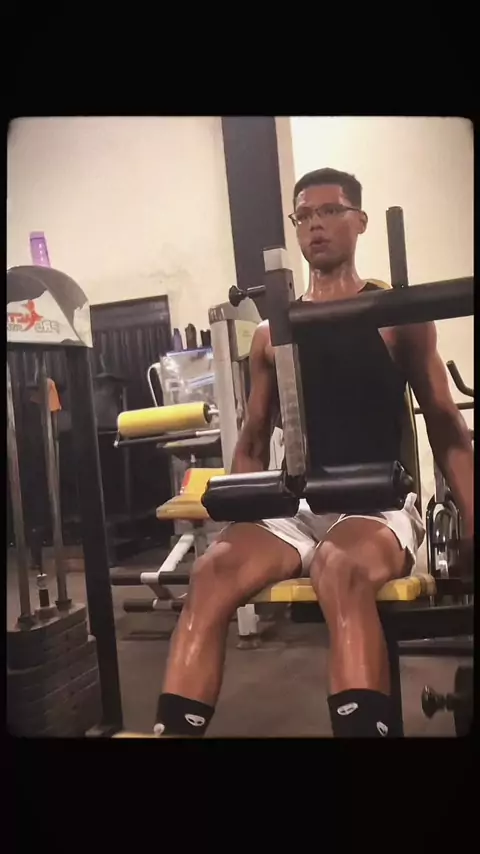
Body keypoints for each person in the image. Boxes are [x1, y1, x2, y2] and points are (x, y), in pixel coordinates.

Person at [154, 168, 474, 738]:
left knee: (338, 567)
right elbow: (254, 439)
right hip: (298, 506)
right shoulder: (271, 334)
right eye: (304, 215)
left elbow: (446, 426)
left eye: (330, 211)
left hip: (379, 503)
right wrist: (240, 522)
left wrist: (473, 518)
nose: (315, 225)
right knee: (210, 572)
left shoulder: (397, 318)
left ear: (360, 222)